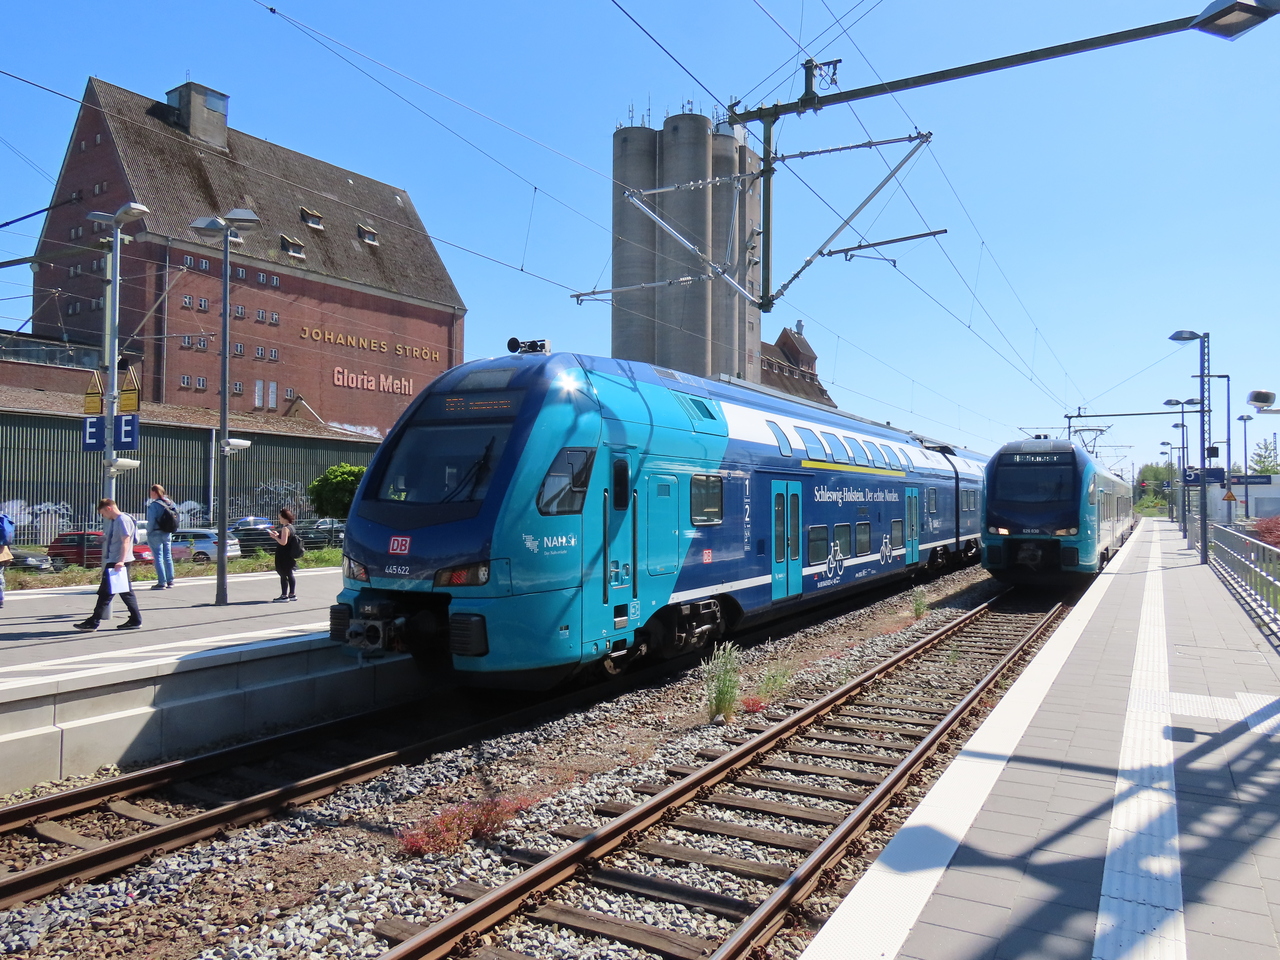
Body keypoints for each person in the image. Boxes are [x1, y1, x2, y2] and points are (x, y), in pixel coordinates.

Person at [75, 498, 142, 631]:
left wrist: (121, 561)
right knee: (124, 592)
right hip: (116, 560)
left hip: (117, 561)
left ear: (109, 508)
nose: (103, 516)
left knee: (106, 592)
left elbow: (125, 541)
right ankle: (135, 619)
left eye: (103, 513)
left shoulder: (123, 520)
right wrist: (103, 538)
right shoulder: (115, 521)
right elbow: (114, 536)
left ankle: (93, 622)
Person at [145, 484, 177, 590]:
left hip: (155, 532)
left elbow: (151, 521)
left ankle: (161, 582)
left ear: (154, 492)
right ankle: (170, 581)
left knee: (158, 557)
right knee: (167, 556)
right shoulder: (171, 503)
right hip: (167, 532)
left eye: (151, 492)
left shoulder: (154, 505)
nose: (150, 494)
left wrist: (148, 532)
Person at [266, 507, 298, 602]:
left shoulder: (285, 528)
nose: (279, 519)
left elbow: (283, 542)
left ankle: (284, 596)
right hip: (290, 554)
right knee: (290, 574)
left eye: (280, 517)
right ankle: (292, 594)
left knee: (283, 574)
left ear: (284, 518)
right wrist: (278, 535)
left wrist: (275, 537)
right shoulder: (291, 527)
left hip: (283, 554)